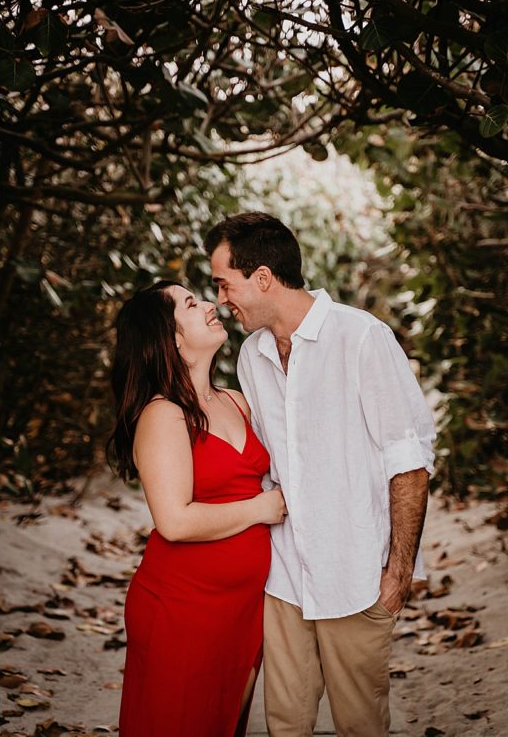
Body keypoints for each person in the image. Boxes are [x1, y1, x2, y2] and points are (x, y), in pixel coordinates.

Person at [206, 212, 436, 737]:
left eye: (225, 282)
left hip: (356, 576)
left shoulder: (361, 338)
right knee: (284, 724)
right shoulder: (251, 355)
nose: (221, 298)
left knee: (361, 725)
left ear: (262, 277)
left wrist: (398, 572)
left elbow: (410, 463)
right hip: (284, 577)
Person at [108, 280, 287, 736]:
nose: (210, 304)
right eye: (191, 303)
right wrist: (260, 508)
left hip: (243, 608)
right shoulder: (162, 414)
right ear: (171, 337)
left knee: (224, 726)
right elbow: (174, 520)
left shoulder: (237, 402)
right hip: (182, 608)